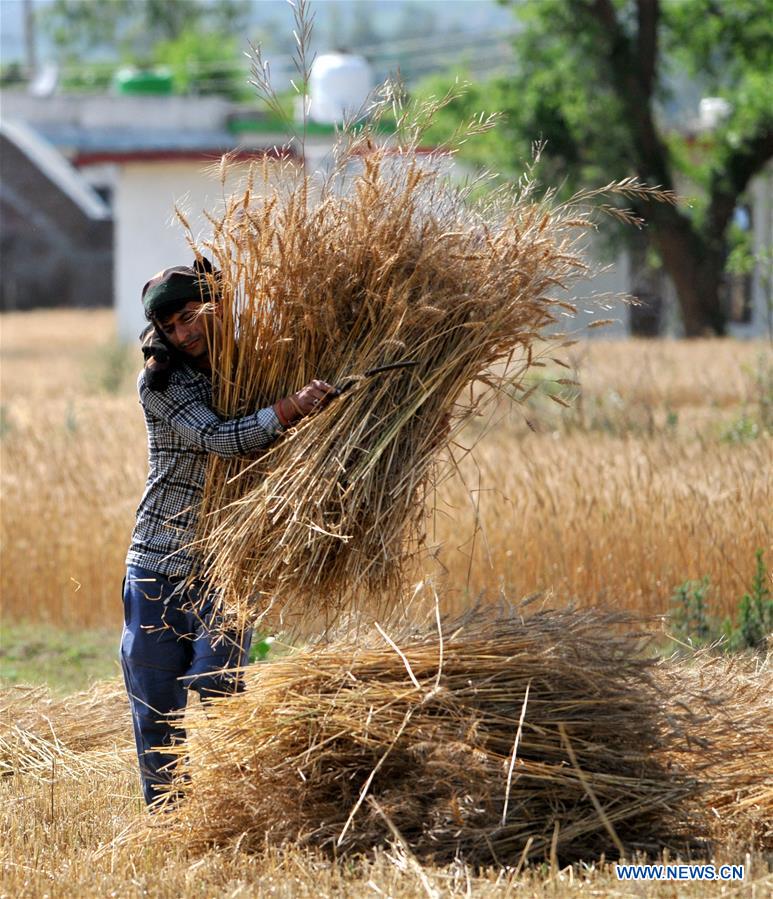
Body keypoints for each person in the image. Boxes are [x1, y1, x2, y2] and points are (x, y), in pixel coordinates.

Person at [122, 259, 333, 806]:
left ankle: (230, 806)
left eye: (192, 316)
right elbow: (221, 437)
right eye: (171, 327)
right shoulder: (161, 383)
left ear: (216, 309)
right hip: (158, 560)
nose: (184, 333)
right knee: (155, 702)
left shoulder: (252, 368)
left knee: (221, 685)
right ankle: (170, 820)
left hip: (226, 561)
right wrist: (290, 408)